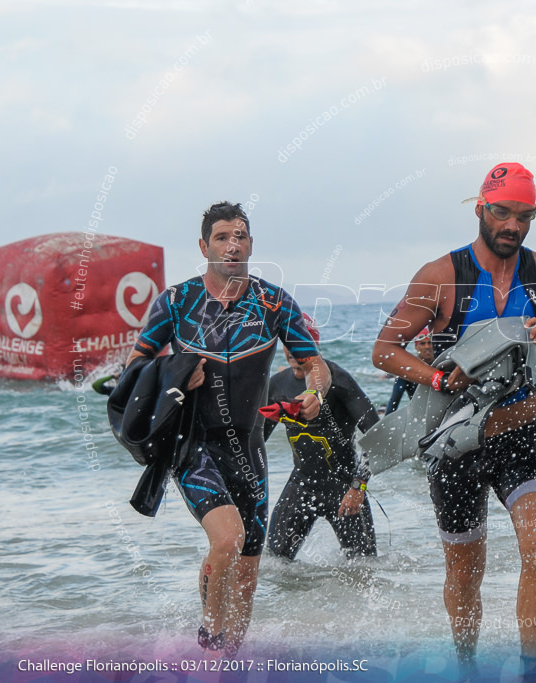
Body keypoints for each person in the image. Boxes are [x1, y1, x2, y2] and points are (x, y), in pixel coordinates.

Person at [371, 162, 536, 675]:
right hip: (454, 445)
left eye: (524, 216)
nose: (512, 225)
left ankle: (532, 667)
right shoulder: (440, 276)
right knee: (465, 572)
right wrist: (439, 379)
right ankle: (467, 666)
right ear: (481, 209)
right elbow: (384, 350)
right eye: (503, 212)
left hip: (520, 434)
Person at [127, 202, 330, 657]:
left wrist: (316, 394)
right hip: (194, 446)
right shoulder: (177, 302)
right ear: (204, 246)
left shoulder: (274, 302)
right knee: (227, 538)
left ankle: (230, 660)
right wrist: (176, 371)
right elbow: (135, 365)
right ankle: (209, 639)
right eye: (222, 237)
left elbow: (314, 364)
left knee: (247, 571)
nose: (232, 245)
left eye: (239, 236)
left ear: (251, 245)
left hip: (250, 449)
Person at [264, 317, 379, 560]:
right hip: (301, 485)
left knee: (364, 568)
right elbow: (255, 440)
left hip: (345, 487)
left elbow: (377, 436)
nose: (293, 353)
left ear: (314, 346)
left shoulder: (338, 381)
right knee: (274, 564)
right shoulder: (278, 384)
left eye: (301, 346)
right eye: (289, 345)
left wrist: (358, 486)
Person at [384, 328, 434, 414]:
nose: (427, 346)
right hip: (420, 415)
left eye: (429, 343)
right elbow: (393, 403)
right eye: (422, 343)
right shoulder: (407, 371)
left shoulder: (441, 364)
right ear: (416, 347)